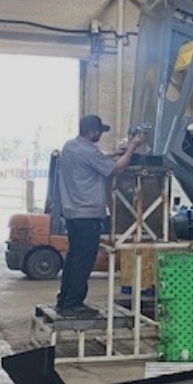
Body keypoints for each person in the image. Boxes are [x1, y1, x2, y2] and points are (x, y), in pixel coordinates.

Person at [54, 115, 146, 317]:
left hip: (73, 212)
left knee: (74, 257)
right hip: (88, 213)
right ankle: (73, 304)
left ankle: (64, 300)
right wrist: (132, 148)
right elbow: (116, 169)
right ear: (91, 132)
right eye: (99, 132)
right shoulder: (88, 151)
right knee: (84, 260)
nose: (100, 135)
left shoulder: (70, 146)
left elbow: (94, 160)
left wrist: (114, 153)